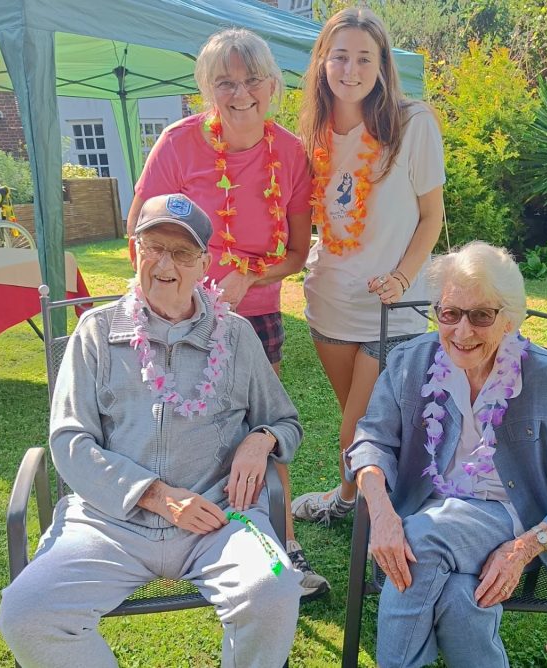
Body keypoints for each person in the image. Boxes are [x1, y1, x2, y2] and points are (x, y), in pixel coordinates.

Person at [0, 194, 303, 668]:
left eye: (181, 253)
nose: (165, 264)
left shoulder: (237, 335)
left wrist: (260, 440)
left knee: (275, 592)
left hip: (218, 519)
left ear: (204, 263)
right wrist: (155, 496)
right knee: (26, 613)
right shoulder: (96, 333)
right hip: (109, 522)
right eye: (154, 247)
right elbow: (69, 441)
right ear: (135, 252)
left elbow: (286, 421)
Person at [345, 241, 547, 667]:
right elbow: (371, 441)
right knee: (460, 598)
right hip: (427, 504)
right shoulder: (410, 362)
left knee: (420, 539)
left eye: (481, 315)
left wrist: (524, 549)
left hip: (510, 521)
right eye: (450, 313)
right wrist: (382, 514)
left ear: (509, 320)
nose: (462, 331)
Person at [127, 29, 328, 600]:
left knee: (260, 428)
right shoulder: (178, 143)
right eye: (225, 82)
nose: (240, 94)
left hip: (254, 317)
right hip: (174, 310)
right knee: (177, 423)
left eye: (251, 81)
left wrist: (250, 276)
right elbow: (138, 232)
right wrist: (175, 290)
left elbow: (294, 252)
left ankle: (284, 549)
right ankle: (171, 532)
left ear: (272, 85)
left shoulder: (290, 154)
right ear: (207, 89)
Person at [291, 8, 446, 525]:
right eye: (340, 57)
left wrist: (402, 278)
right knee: (358, 423)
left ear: (382, 66)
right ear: (322, 63)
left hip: (393, 308)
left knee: (356, 429)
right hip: (329, 302)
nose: (350, 69)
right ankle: (357, 499)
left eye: (364, 58)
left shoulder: (412, 123)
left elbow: (432, 216)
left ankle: (360, 507)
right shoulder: (313, 135)